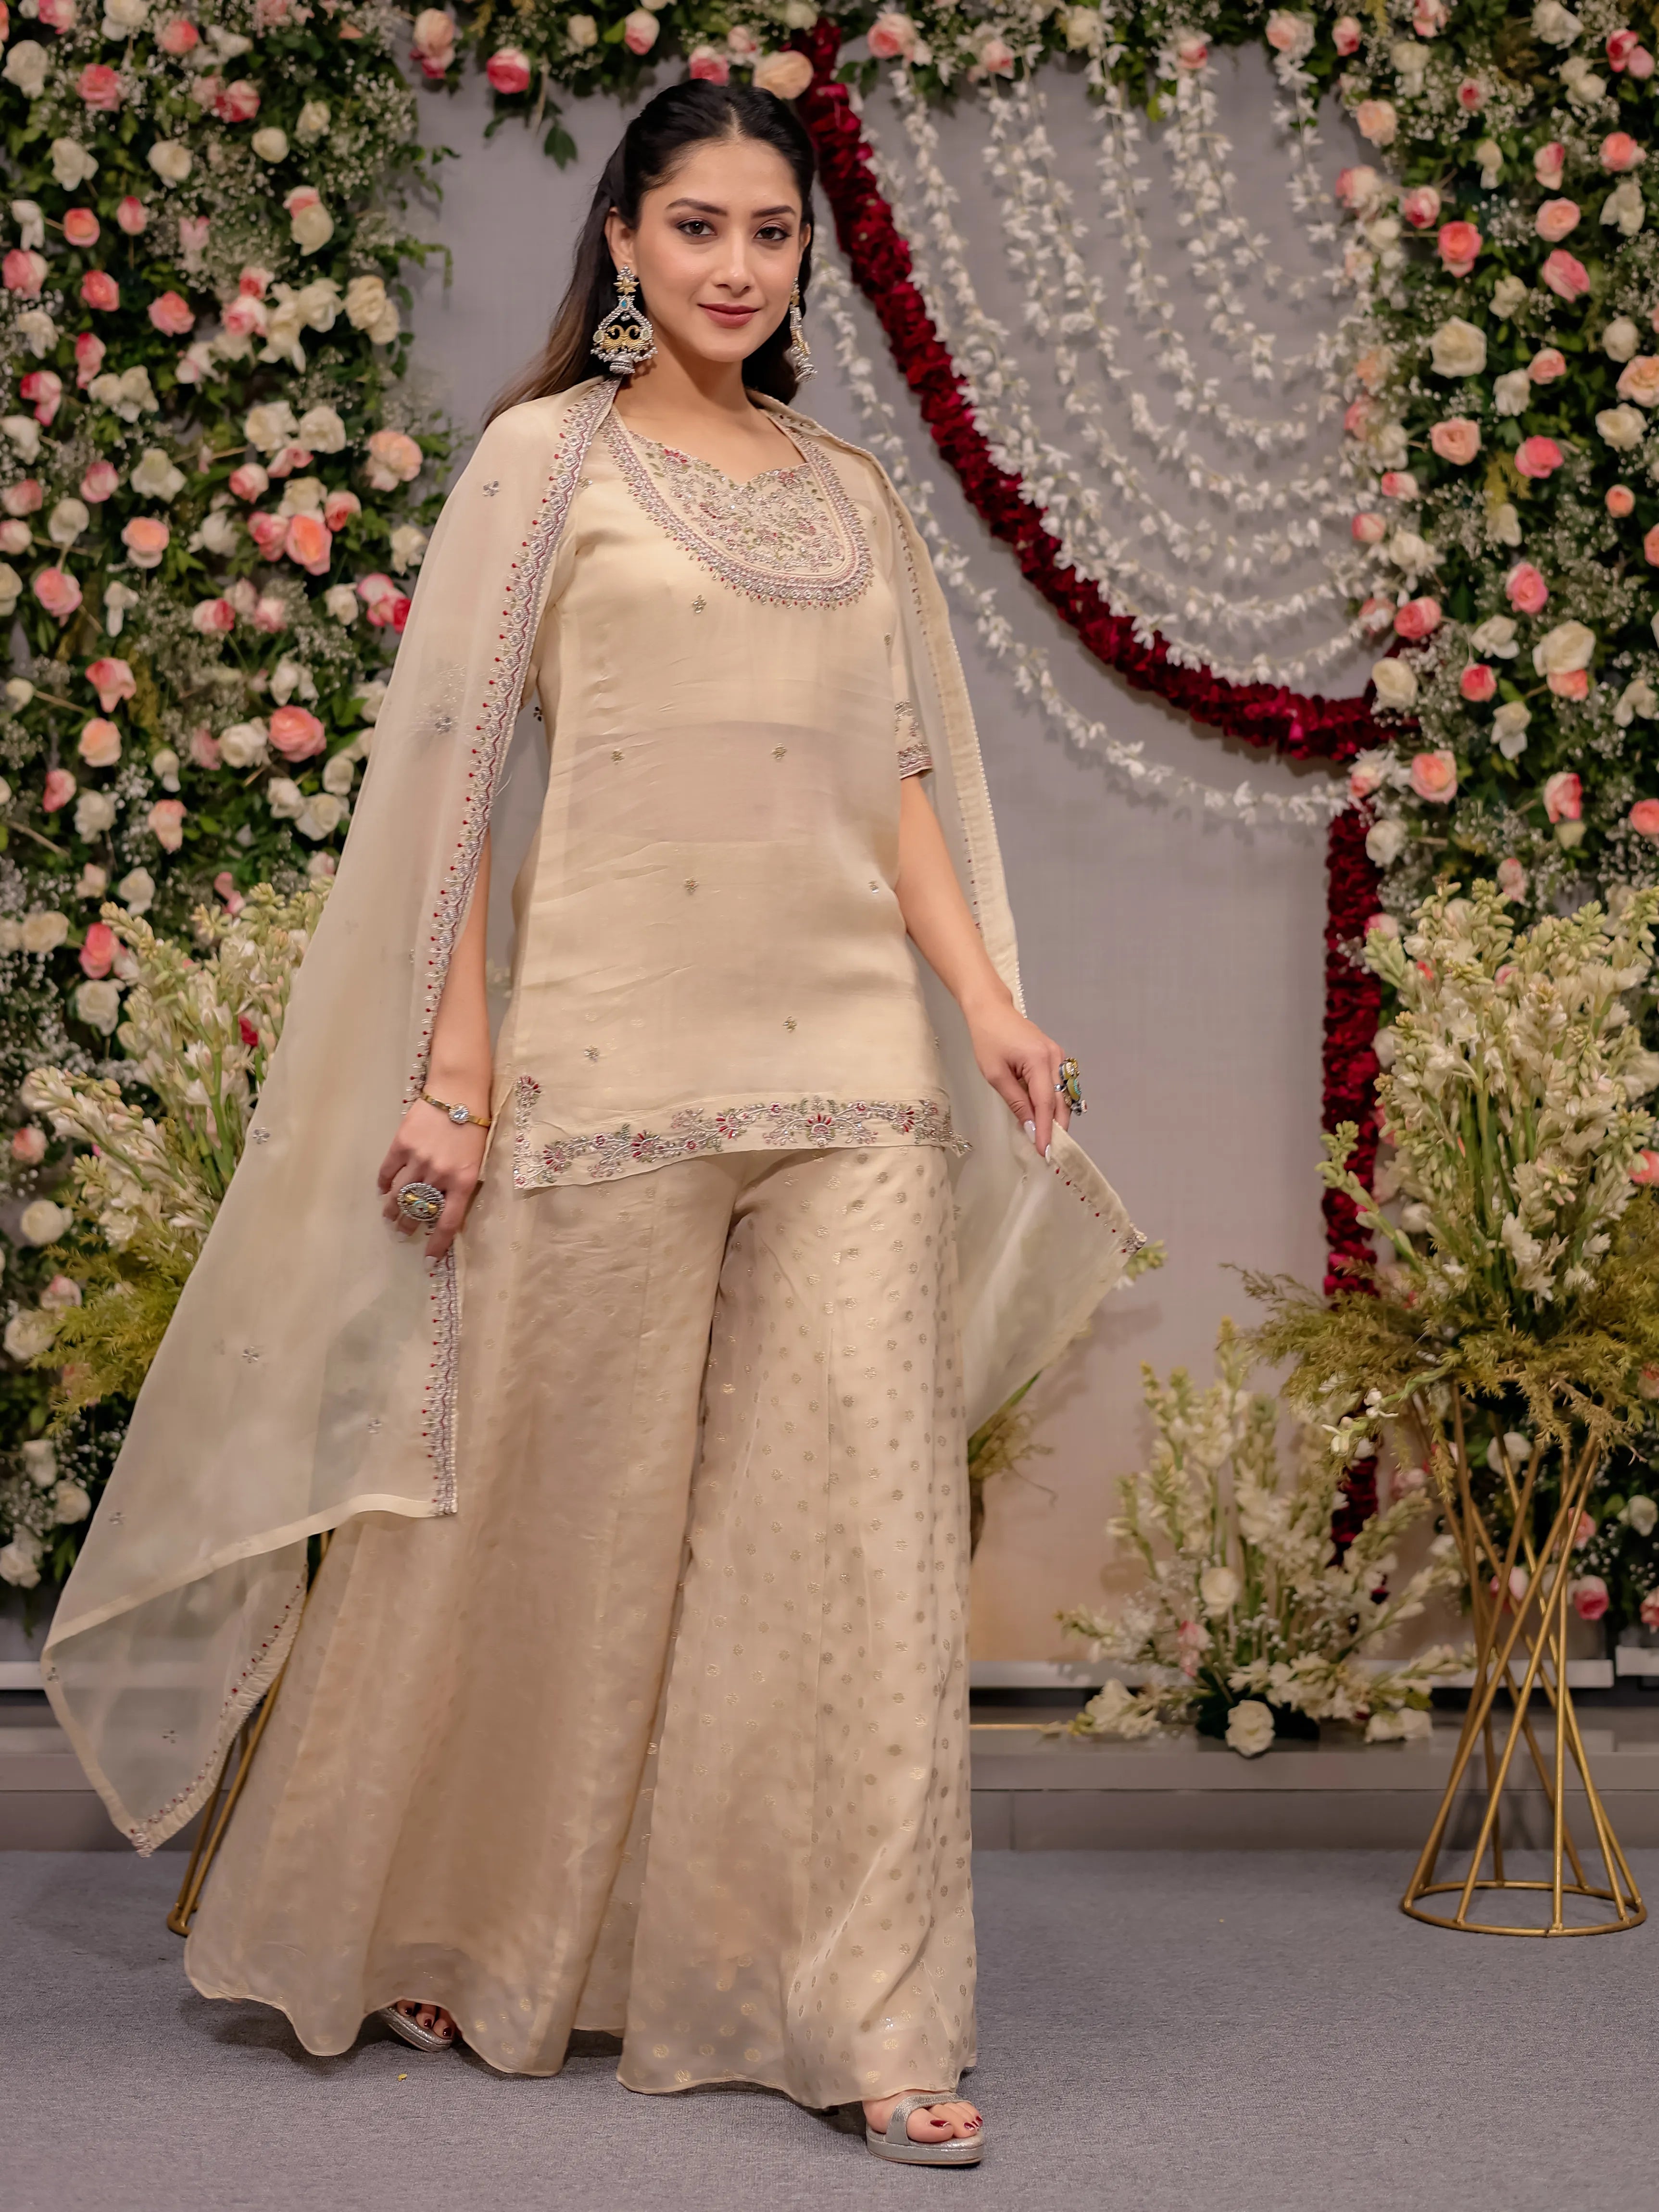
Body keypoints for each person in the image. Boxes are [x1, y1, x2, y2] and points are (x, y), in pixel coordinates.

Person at [42, 79, 1140, 2171]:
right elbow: (453, 789)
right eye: (696, 225)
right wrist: (451, 1078)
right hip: (604, 1059)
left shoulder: (850, 495)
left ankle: (871, 2014)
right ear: (623, 240)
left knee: (863, 1549)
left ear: (803, 260)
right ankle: (471, 1925)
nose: (736, 264)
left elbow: (896, 775)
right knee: (545, 1524)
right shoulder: (543, 463)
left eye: (770, 232)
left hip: (855, 1068)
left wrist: (990, 1004)